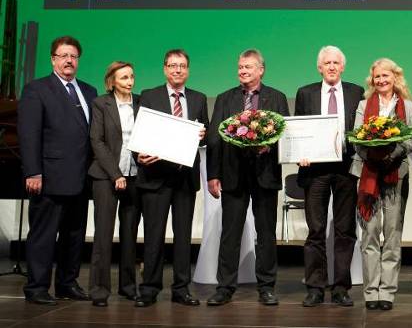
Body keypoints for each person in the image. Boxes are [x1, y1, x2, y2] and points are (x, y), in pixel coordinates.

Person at [205, 49, 290, 306]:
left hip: (265, 175)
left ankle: (266, 286)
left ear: (261, 70)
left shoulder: (276, 97)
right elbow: (213, 139)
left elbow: (285, 134)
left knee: (266, 233)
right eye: (240, 67)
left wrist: (269, 146)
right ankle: (225, 287)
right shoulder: (224, 98)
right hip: (233, 175)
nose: (243, 71)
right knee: (230, 233)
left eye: (248, 67)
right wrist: (212, 175)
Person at [18, 36, 97, 305]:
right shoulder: (36, 89)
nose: (68, 60)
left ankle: (67, 283)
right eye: (63, 55)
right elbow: (29, 135)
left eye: (73, 56)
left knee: (74, 234)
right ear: (53, 59)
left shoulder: (89, 91)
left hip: (81, 178)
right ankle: (37, 288)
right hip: (49, 177)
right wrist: (33, 172)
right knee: (43, 235)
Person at [135, 49, 208, 307]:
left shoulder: (198, 98)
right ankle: (149, 288)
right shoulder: (149, 95)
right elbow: (139, 134)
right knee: (154, 236)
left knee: (183, 237)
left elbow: (205, 134)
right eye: (173, 66)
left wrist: (202, 136)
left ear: (188, 70)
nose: (178, 70)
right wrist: (140, 156)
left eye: (182, 66)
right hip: (155, 177)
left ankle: (181, 288)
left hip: (184, 178)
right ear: (165, 69)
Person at [294, 46, 364, 307]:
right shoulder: (306, 92)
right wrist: (301, 151)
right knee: (316, 230)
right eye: (327, 63)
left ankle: (341, 288)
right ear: (319, 67)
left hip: (346, 169)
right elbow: (299, 128)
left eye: (336, 62)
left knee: (345, 230)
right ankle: (315, 287)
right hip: (315, 170)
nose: (332, 66)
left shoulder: (357, 92)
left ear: (342, 67)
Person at [350, 58, 412, 311]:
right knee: (368, 234)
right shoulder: (363, 105)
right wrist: (373, 158)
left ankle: (387, 292)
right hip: (368, 174)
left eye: (385, 76)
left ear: (395, 78)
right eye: (377, 77)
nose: (381, 81)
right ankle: (370, 292)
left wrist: (389, 157)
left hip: (395, 174)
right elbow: (357, 138)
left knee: (392, 235)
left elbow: (411, 138)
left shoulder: (408, 106)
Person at [88, 62, 142, 307]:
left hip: (135, 175)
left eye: (131, 76)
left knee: (130, 233)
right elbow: (96, 141)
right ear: (112, 81)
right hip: (106, 176)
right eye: (123, 78)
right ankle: (99, 290)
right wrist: (115, 173)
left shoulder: (141, 103)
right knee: (103, 233)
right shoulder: (101, 103)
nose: (129, 81)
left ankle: (128, 286)